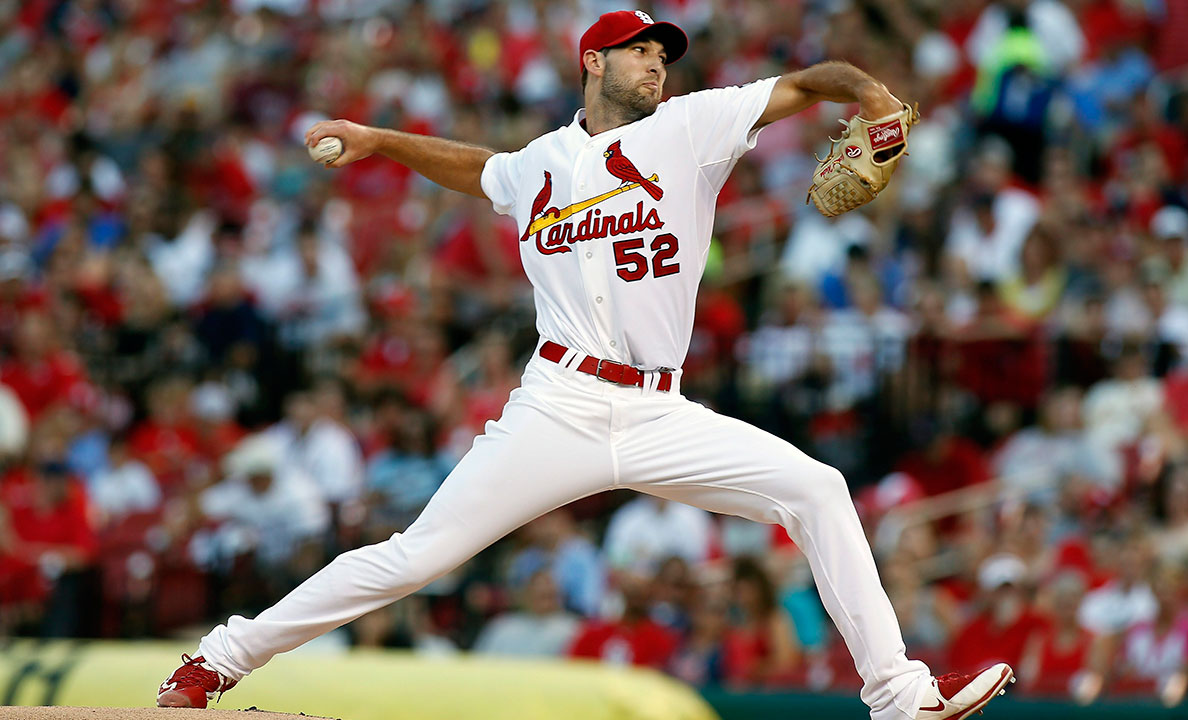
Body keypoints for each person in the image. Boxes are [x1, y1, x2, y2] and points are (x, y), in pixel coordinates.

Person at [156, 11, 1014, 720]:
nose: (656, 65)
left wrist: (870, 94)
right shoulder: (540, 163)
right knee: (416, 558)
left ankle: (900, 696)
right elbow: (480, 170)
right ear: (592, 61)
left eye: (662, 53)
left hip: (662, 413)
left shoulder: (693, 127)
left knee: (818, 488)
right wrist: (379, 139)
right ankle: (215, 662)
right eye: (640, 50)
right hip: (558, 403)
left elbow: (807, 82)